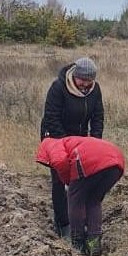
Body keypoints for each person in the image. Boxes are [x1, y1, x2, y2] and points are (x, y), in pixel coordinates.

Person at [40, 57, 104, 238]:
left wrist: (95, 143)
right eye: (82, 80)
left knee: (81, 179)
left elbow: (97, 117)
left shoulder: (95, 90)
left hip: (81, 138)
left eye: (89, 81)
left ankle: (80, 219)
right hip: (56, 137)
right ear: (74, 76)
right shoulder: (58, 88)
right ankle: (62, 224)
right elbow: (51, 118)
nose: (85, 84)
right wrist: (66, 145)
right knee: (60, 179)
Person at [36, 135, 124, 256]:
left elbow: (59, 161)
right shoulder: (71, 141)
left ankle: (78, 244)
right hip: (116, 162)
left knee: (75, 200)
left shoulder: (50, 144)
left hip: (90, 160)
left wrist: (69, 182)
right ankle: (94, 245)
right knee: (94, 201)